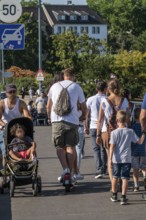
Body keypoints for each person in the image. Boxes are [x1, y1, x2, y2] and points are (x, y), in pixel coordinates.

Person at [47, 68, 87, 183]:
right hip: (72, 121)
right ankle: (71, 171)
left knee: (59, 147)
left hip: (57, 120)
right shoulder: (77, 87)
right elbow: (84, 107)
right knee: (70, 146)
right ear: (73, 76)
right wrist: (82, 117)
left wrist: (50, 118)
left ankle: (65, 170)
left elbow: (48, 106)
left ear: (63, 75)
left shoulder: (54, 87)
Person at [96, 79, 129, 183]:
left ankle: (113, 183)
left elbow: (100, 120)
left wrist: (98, 135)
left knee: (110, 158)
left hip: (108, 132)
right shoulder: (125, 101)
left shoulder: (104, 101)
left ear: (108, 89)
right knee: (122, 157)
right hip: (123, 133)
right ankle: (120, 180)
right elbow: (128, 118)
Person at [109, 110, 145, 205]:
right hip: (126, 158)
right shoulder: (130, 131)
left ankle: (114, 194)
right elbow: (139, 142)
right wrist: (143, 134)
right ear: (127, 120)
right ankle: (123, 197)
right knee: (125, 178)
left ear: (117, 120)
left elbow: (112, 147)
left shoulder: (114, 133)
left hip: (116, 159)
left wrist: (109, 159)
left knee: (115, 177)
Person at [0, 84, 31, 165]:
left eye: (14, 91)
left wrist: (28, 120)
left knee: (26, 141)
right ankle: (5, 164)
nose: (12, 94)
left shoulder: (21, 103)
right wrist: (4, 125)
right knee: (4, 150)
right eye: (10, 92)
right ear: (6, 93)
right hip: (5, 129)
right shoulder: (2, 103)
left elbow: (27, 115)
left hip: (17, 128)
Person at [85, 81, 107, 179]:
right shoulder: (107, 99)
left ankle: (99, 169)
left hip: (93, 126)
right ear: (105, 89)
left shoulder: (90, 99)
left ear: (96, 89)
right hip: (104, 127)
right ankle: (104, 168)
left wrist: (86, 125)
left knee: (96, 149)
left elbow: (87, 114)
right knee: (104, 149)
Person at [131, 108, 146, 192]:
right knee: (144, 168)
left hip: (134, 151)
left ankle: (136, 186)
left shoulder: (132, 127)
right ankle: (144, 178)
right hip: (144, 150)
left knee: (135, 169)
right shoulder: (145, 126)